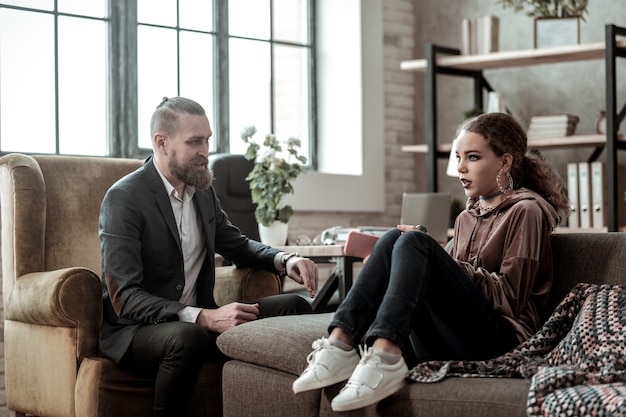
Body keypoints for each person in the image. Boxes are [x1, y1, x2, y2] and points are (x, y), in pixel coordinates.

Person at [292, 112, 570, 412]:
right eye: (458, 157)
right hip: (455, 337)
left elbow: (510, 299)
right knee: (393, 239)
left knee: (414, 241)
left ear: (505, 162)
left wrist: (439, 260)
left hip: (501, 342)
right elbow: (448, 288)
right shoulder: (466, 217)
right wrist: (408, 261)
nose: (461, 168)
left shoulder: (527, 212)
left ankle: (385, 356)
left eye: (473, 158)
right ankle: (340, 344)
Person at [99, 96, 318, 417]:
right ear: (161, 143)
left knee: (293, 306)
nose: (206, 151)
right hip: (136, 331)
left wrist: (286, 260)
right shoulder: (124, 198)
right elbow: (127, 298)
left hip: (200, 323)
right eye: (195, 142)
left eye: (208, 140)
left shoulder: (202, 191)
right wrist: (203, 317)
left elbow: (238, 246)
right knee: (186, 337)